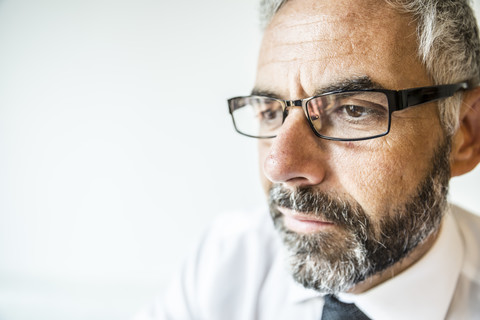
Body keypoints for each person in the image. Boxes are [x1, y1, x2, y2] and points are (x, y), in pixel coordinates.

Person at [135, 0, 480, 319]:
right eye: (270, 111)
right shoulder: (226, 264)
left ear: (465, 133)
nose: (278, 166)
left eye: (353, 110)